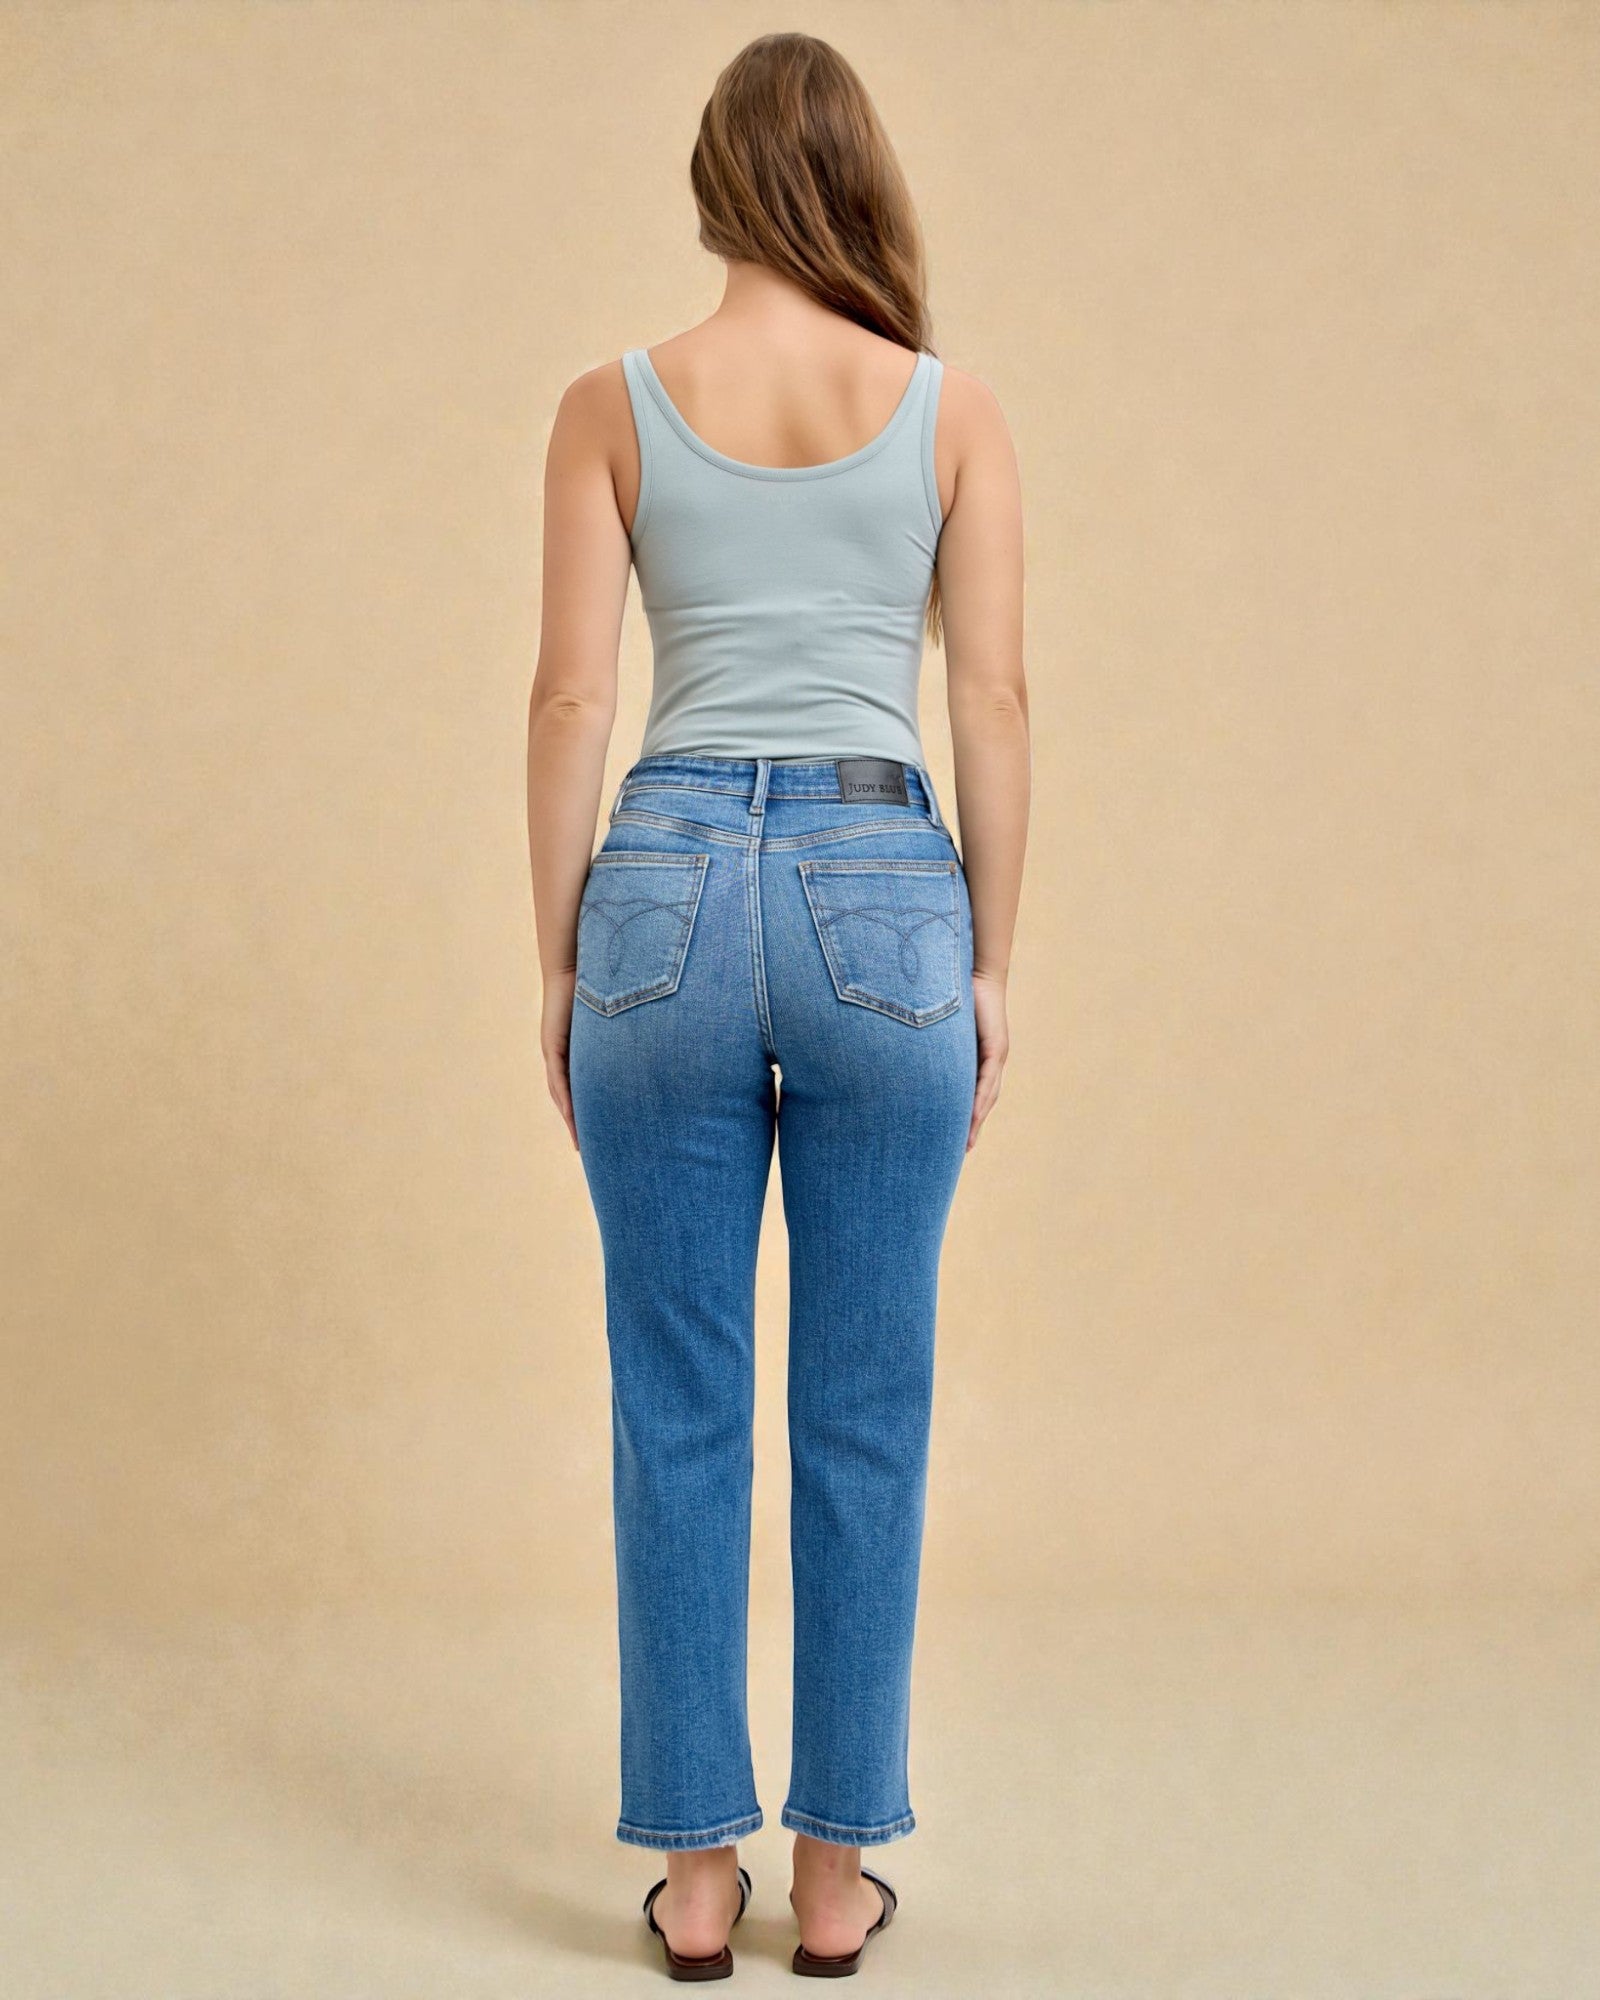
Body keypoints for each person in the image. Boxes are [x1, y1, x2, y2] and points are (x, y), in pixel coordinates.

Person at [525, 30, 1029, 1981]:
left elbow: (573, 700)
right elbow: (986, 700)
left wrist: (556, 958)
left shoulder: (610, 404)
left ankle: (696, 1878)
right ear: (858, 181)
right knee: (865, 1402)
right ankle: (837, 1879)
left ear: (712, 183)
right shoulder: (950, 409)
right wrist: (987, 959)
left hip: (653, 882)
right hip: (878, 884)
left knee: (675, 1404)